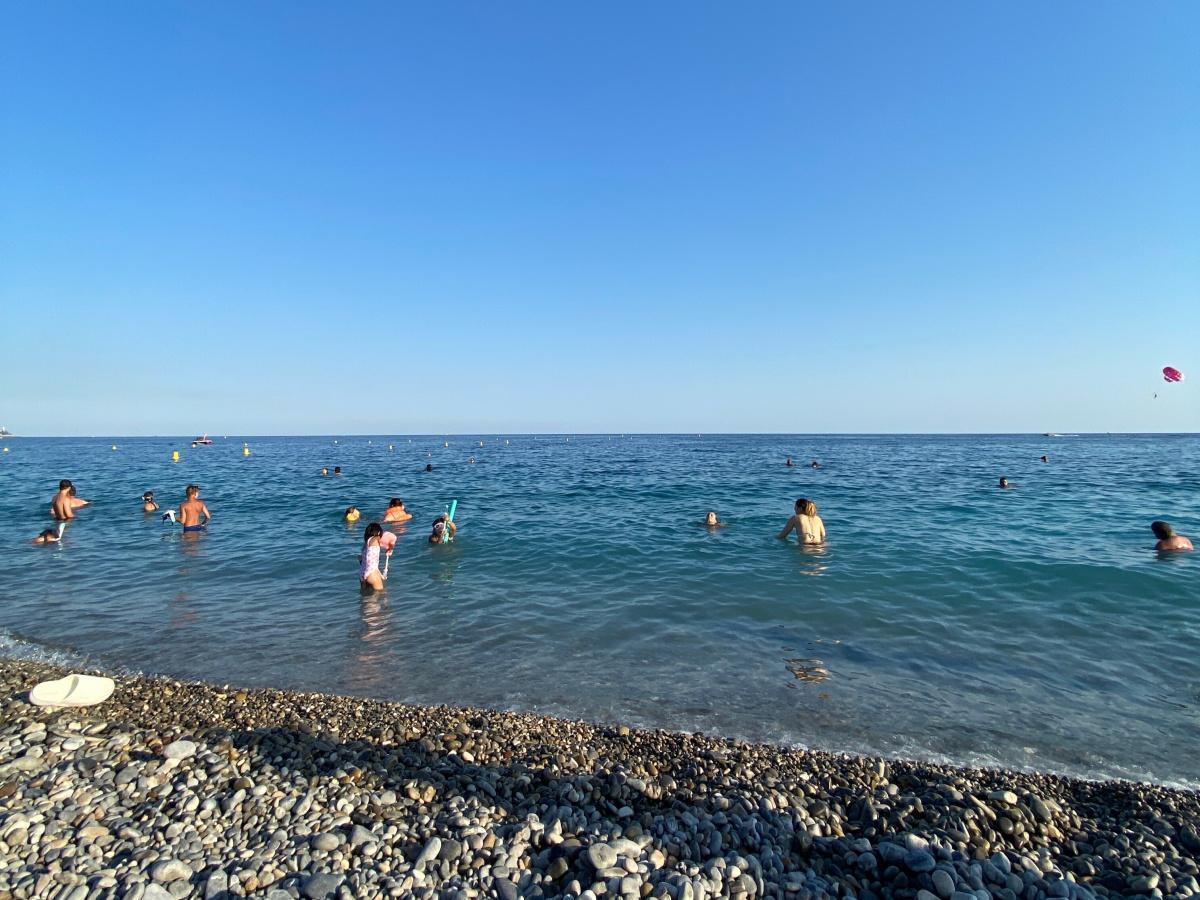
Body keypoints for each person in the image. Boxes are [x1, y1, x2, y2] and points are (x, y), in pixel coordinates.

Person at [359, 522, 389, 591]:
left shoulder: (365, 545)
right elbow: (390, 538)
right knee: (382, 594)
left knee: (365, 597)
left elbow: (362, 558)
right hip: (372, 573)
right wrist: (390, 547)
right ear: (378, 532)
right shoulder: (376, 538)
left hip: (362, 572)